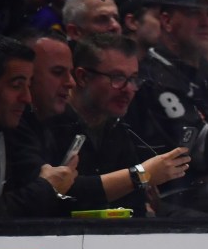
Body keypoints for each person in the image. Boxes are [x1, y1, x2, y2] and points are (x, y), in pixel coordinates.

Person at [125, 0, 208, 215]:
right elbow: (201, 151)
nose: (206, 21)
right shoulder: (150, 77)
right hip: (171, 202)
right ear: (166, 21)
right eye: (194, 12)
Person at [52, 33, 189, 217]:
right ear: (82, 77)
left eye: (133, 79)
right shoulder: (51, 123)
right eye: (117, 78)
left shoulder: (117, 127)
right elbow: (65, 195)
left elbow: (135, 205)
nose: (129, 89)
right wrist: (142, 174)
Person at [0, 35, 77, 219]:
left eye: (29, 84)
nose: (27, 98)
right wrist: (47, 188)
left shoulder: (1, 129)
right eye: (16, 85)